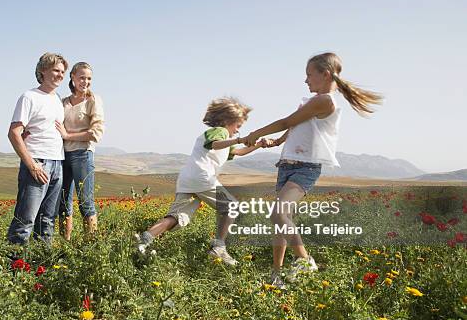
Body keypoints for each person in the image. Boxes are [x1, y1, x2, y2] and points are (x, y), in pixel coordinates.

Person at [243, 52, 383, 288]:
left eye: (309, 75)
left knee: (278, 214)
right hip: (287, 165)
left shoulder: (325, 100)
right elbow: (295, 126)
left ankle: (305, 260)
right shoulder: (312, 102)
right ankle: (276, 275)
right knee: (282, 221)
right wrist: (276, 142)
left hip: (305, 168)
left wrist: (256, 133)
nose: (306, 80)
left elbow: (288, 121)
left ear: (325, 74)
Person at [134, 97, 268, 265]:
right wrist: (238, 139)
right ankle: (219, 247)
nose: (237, 132)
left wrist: (258, 145)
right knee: (232, 207)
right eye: (238, 127)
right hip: (202, 177)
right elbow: (215, 144)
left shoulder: (225, 137)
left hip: (187, 179)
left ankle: (144, 240)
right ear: (228, 120)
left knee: (177, 216)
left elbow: (239, 152)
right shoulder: (220, 131)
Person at [6, 52, 68, 246]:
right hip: (38, 162)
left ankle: (42, 267)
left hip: (58, 162)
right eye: (56, 70)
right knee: (25, 220)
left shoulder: (58, 99)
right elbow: (14, 133)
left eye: (63, 71)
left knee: (47, 220)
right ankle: (14, 270)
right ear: (42, 71)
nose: (60, 75)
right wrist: (32, 165)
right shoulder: (29, 97)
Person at [55, 62, 105, 240]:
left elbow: (95, 133)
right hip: (61, 156)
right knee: (62, 203)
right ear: (73, 78)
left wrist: (67, 135)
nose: (86, 81)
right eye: (82, 77)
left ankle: (89, 244)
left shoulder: (93, 100)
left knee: (86, 203)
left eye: (89, 78)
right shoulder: (63, 102)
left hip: (82, 155)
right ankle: (64, 243)